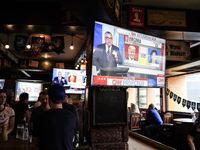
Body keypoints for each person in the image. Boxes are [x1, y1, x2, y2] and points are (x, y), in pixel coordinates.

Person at [33, 84, 76, 150]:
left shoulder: (39, 117)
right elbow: (72, 138)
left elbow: (35, 141)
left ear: (49, 99)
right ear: (64, 99)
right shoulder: (72, 117)